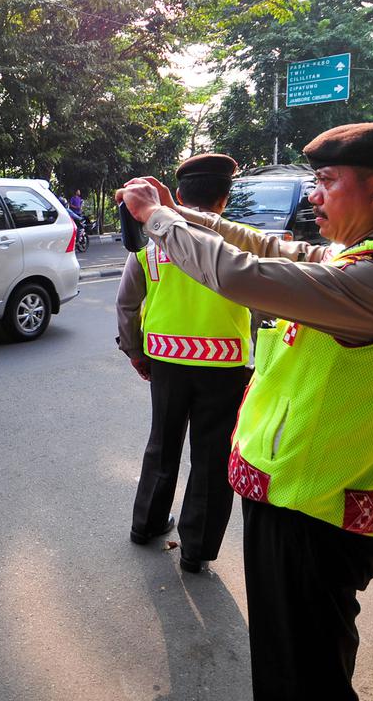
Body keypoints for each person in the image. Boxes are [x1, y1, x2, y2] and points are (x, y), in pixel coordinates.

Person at [118, 123, 373, 700]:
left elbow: (241, 273)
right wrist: (184, 214)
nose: (312, 195)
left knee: (299, 673)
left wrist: (159, 218)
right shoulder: (371, 259)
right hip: (311, 491)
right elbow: (268, 248)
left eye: (326, 181)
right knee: (299, 656)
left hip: (311, 507)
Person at [116, 153, 252, 574]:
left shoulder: (151, 241)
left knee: (162, 442)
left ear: (176, 194)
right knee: (212, 455)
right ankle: (196, 549)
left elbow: (127, 304)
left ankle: (146, 524)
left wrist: (134, 351)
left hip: (165, 359)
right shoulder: (238, 242)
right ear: (224, 199)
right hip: (225, 364)